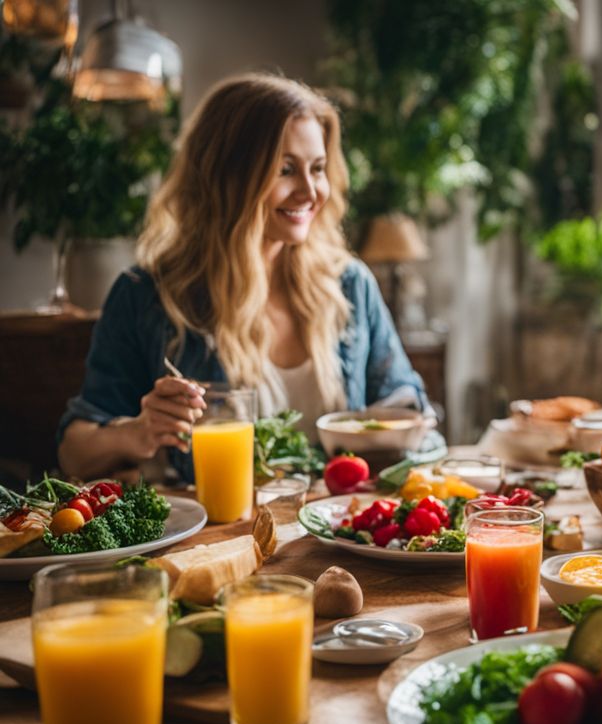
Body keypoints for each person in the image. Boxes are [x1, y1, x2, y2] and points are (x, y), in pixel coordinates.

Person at [57, 74, 427, 481]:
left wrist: (402, 430)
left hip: (333, 535)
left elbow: (405, 403)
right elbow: (74, 453)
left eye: (317, 169)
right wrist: (139, 432)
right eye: (286, 169)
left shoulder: (349, 284)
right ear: (228, 176)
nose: (310, 191)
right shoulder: (148, 295)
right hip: (220, 539)